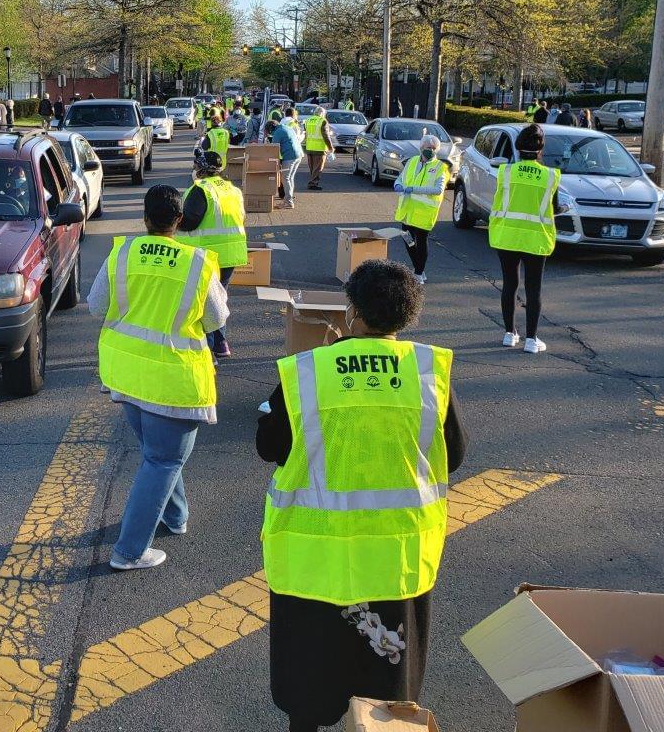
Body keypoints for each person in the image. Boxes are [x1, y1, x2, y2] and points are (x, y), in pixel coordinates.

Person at [257, 260, 467, 732]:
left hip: (314, 565)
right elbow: (452, 455)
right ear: (407, 318)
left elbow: (269, 445)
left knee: (310, 687)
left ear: (352, 313)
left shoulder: (309, 372)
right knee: (385, 699)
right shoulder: (426, 372)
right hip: (395, 563)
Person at [89, 185, 227, 571]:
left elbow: (96, 306)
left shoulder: (123, 253)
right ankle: (129, 551)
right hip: (174, 380)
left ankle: (175, 516)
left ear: (145, 218)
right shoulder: (197, 262)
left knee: (160, 456)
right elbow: (217, 319)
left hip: (127, 375)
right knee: (164, 460)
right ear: (180, 221)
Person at [488, 124, 561, 355]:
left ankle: (509, 334)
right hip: (535, 239)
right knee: (533, 289)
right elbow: (555, 207)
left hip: (507, 236)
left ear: (518, 148)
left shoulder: (505, 172)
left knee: (510, 285)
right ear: (541, 149)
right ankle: (531, 339)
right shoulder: (550, 176)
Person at [180, 151, 247, 358]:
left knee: (202, 301)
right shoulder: (233, 190)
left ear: (199, 168)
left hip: (206, 255)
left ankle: (208, 348)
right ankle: (220, 343)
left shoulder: (201, 190)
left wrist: (174, 222)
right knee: (218, 298)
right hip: (230, 254)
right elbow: (241, 218)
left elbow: (189, 221)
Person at [393, 134, 450, 284]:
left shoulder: (440, 168)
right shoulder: (412, 161)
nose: (430, 150)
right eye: (427, 148)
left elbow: (438, 190)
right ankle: (419, 268)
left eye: (433, 148)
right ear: (421, 148)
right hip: (407, 209)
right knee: (406, 237)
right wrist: (397, 184)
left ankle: (418, 273)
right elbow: (401, 177)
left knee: (421, 241)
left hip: (424, 212)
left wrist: (414, 189)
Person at [268, 119, 303, 210]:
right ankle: (289, 199)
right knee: (290, 178)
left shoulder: (277, 132)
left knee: (285, 178)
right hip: (298, 154)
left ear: (272, 129)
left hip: (290, 156)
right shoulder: (286, 127)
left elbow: (274, 148)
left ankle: (288, 202)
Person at [302, 106, 335, 190]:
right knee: (318, 168)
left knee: (312, 167)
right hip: (319, 148)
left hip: (309, 147)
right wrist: (330, 148)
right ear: (322, 113)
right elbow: (326, 136)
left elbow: (306, 134)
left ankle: (312, 182)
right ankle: (313, 183)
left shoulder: (308, 120)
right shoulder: (322, 121)